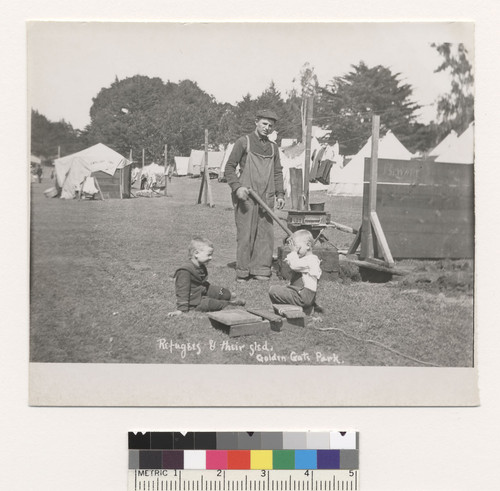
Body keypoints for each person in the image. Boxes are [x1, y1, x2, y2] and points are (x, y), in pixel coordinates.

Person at [224, 109, 285, 282]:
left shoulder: (273, 148)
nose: (267, 128)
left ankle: (261, 269)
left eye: (271, 126)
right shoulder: (244, 142)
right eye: (264, 123)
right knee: (245, 233)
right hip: (246, 195)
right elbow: (229, 167)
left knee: (265, 233)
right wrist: (237, 188)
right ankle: (243, 271)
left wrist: (280, 194)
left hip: (267, 195)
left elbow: (277, 172)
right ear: (256, 122)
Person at [168, 237, 245, 317]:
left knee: (222, 291)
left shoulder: (200, 266)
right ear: (196, 253)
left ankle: (229, 296)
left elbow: (202, 282)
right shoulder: (185, 271)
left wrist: (217, 292)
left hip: (204, 289)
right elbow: (182, 291)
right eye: (208, 255)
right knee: (212, 303)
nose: (211, 258)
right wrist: (182, 309)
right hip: (195, 300)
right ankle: (229, 304)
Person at [268, 229, 322, 314]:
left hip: (303, 296)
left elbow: (295, 265)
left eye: (297, 248)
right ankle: (299, 310)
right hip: (303, 295)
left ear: (308, 245)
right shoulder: (307, 259)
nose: (295, 251)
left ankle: (290, 311)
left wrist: (293, 253)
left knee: (273, 290)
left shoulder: (311, 260)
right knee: (284, 289)